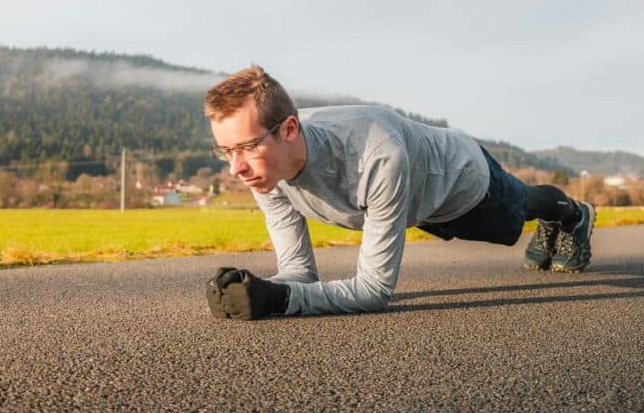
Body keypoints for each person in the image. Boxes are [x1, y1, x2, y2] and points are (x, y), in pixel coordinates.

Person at [204, 66, 595, 321]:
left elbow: (373, 291)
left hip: (461, 180)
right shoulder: (267, 168)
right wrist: (263, 290)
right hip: (415, 201)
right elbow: (299, 273)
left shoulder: (376, 155)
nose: (236, 168)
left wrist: (282, 302)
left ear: (289, 129)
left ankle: (572, 215)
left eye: (246, 147)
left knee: (522, 205)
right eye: (227, 151)